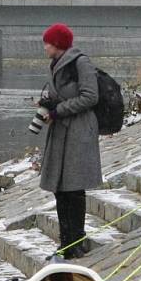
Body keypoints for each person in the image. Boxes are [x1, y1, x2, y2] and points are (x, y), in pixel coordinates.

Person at [38, 23, 102, 260]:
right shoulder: (55, 65)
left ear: (57, 44)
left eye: (47, 42)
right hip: (61, 133)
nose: (44, 47)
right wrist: (47, 103)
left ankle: (77, 241)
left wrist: (58, 110)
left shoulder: (80, 62)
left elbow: (90, 96)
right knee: (60, 190)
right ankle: (65, 242)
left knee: (74, 190)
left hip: (78, 132)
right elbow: (62, 93)